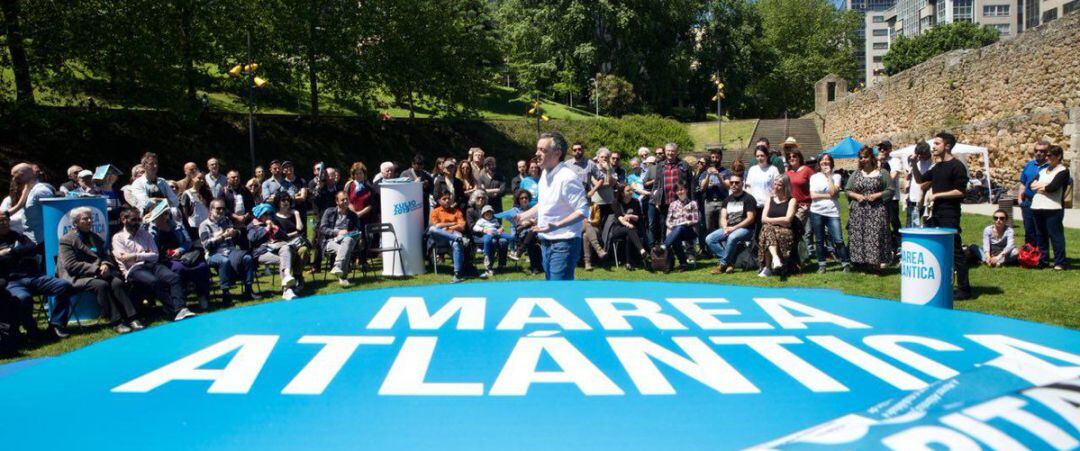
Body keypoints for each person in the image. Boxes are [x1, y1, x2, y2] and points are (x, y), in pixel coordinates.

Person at [514, 131, 589, 281]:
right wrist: (522, 216)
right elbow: (545, 204)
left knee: (559, 291)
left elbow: (583, 210)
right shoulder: (544, 174)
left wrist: (557, 225)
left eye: (543, 150)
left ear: (557, 153)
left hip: (564, 243)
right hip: (546, 241)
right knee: (552, 288)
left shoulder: (567, 178)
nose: (537, 154)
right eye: (537, 149)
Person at [57, 207, 142, 334]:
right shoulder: (67, 240)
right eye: (85, 219)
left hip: (98, 272)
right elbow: (70, 265)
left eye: (90, 218)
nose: (90, 221)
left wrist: (105, 264)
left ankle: (131, 317)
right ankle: (116, 321)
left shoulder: (94, 237)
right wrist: (96, 269)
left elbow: (105, 255)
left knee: (116, 282)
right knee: (101, 285)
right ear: (75, 222)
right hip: (76, 277)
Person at [911, 132, 972, 299]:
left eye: (937, 143)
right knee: (936, 248)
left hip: (949, 213)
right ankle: (939, 283)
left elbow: (960, 191)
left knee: (955, 251)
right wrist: (913, 164)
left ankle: (964, 289)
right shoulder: (936, 167)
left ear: (947, 146)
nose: (933, 146)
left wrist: (937, 195)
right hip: (936, 214)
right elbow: (921, 182)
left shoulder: (957, 166)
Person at [112, 207, 195, 321]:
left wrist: (135, 256)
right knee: (154, 281)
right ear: (123, 219)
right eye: (133, 220)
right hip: (134, 269)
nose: (137, 223)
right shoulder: (118, 238)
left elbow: (155, 255)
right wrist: (144, 254)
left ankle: (181, 309)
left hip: (152, 265)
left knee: (174, 278)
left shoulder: (145, 235)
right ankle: (175, 310)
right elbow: (124, 259)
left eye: (138, 220)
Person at [0, 211, 73, 339]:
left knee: (63, 285)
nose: (4, 223)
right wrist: (18, 254)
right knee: (23, 298)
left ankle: (56, 325)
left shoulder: (18, 236)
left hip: (33, 277)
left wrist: (11, 251)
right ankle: (32, 330)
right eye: (0, 221)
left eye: (6, 220)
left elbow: (33, 248)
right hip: (11, 282)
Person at [148, 203, 212, 310]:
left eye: (166, 213)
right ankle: (180, 299)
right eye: (162, 214)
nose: (165, 216)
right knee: (179, 268)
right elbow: (152, 248)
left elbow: (188, 242)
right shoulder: (151, 230)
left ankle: (202, 295)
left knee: (202, 266)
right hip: (163, 259)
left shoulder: (177, 225)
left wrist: (179, 250)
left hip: (182, 254)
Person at [846, 147, 893, 273]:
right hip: (859, 211)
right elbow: (847, 190)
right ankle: (863, 265)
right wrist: (856, 196)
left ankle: (876, 266)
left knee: (876, 237)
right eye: (861, 157)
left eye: (865, 157)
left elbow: (890, 190)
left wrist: (877, 195)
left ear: (872, 157)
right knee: (860, 236)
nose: (863, 160)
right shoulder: (856, 174)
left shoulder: (882, 173)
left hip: (876, 211)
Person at [199, 199, 255, 304]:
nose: (221, 211)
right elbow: (207, 245)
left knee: (247, 258)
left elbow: (236, 236)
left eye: (223, 209)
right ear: (211, 210)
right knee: (224, 261)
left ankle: (248, 290)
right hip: (213, 253)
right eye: (218, 208)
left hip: (230, 250)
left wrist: (235, 233)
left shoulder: (227, 221)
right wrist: (223, 236)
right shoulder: (204, 225)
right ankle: (226, 293)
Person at [247, 203, 301, 300]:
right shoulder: (252, 225)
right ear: (260, 215)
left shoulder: (274, 222)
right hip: (260, 252)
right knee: (284, 260)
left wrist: (275, 228)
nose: (269, 216)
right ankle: (287, 290)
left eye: (270, 214)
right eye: (266, 214)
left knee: (286, 248)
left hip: (277, 248)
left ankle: (287, 276)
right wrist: (267, 229)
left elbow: (285, 237)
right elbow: (253, 239)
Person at [706, 173, 757, 274]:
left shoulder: (749, 198)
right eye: (731, 182)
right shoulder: (727, 199)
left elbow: (750, 218)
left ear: (742, 183)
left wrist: (734, 228)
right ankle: (729, 262)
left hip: (746, 229)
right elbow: (723, 216)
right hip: (729, 228)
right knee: (709, 239)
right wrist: (725, 227)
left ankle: (722, 264)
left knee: (732, 237)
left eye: (737, 182)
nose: (733, 184)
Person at [1029, 145, 1070, 270]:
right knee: (1041, 235)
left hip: (1053, 208)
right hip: (1037, 206)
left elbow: (1053, 187)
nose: (1047, 157)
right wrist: (1044, 185)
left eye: (1050, 155)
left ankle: (1059, 262)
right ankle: (1043, 260)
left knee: (1055, 236)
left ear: (1058, 156)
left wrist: (1042, 186)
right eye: (1046, 155)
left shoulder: (1063, 171)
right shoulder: (1042, 171)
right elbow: (1031, 185)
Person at [808, 154, 851, 273]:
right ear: (819, 163)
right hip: (817, 211)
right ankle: (822, 265)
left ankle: (845, 263)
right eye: (822, 160)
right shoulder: (814, 177)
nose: (825, 162)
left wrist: (829, 177)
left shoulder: (836, 176)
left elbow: (834, 191)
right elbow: (813, 196)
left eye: (827, 160)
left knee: (838, 239)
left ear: (831, 163)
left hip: (832, 212)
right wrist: (829, 195)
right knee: (819, 240)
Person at [650, 143, 695, 241]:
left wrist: (692, 200)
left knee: (683, 224)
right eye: (668, 151)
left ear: (676, 152)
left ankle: (688, 250)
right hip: (664, 201)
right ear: (665, 152)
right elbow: (657, 184)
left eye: (672, 151)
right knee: (664, 225)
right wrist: (656, 200)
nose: (670, 153)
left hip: (680, 200)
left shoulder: (684, 164)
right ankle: (666, 249)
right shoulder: (660, 165)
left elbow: (691, 183)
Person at [319, 191, 362, 286]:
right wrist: (337, 232)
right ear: (337, 201)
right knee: (345, 250)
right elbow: (322, 228)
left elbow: (357, 230)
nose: (346, 201)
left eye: (347, 199)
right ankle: (343, 277)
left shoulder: (353, 215)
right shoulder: (329, 212)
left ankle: (337, 266)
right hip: (330, 241)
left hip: (347, 240)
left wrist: (349, 234)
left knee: (348, 240)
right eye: (343, 200)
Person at [758, 176, 797, 278]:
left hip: (786, 231)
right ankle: (775, 258)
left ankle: (768, 267)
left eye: (779, 185)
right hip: (771, 229)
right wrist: (781, 221)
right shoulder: (769, 199)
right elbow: (763, 219)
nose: (776, 187)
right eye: (775, 184)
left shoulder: (791, 200)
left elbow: (788, 220)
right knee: (767, 229)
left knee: (766, 230)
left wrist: (770, 221)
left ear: (786, 186)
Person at [9, 163, 57, 244]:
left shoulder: (41, 191)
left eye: (14, 176)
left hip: (41, 241)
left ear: (22, 174)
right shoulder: (28, 190)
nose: (13, 179)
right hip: (30, 239)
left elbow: (52, 215)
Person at [604, 184, 648, 270]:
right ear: (622, 193)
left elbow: (639, 217)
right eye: (628, 190)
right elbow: (620, 218)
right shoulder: (615, 202)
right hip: (617, 228)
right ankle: (642, 250)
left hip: (632, 230)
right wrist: (628, 224)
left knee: (629, 235)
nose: (631, 192)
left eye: (631, 190)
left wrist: (631, 216)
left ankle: (628, 263)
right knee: (629, 229)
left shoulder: (635, 202)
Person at [428, 191, 468, 283]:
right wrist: (452, 223)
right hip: (440, 239)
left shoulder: (457, 211)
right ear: (439, 201)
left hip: (453, 235)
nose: (447, 201)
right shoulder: (435, 212)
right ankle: (458, 239)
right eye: (444, 199)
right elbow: (437, 226)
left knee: (456, 244)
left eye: (448, 199)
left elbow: (462, 226)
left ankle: (457, 274)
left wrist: (447, 227)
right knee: (432, 229)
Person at [1017, 141, 1051, 245]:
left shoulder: (1051, 166)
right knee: (1029, 231)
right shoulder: (1029, 165)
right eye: (1036, 151)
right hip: (1028, 203)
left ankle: (1041, 256)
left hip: (1043, 204)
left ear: (1048, 152)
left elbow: (1067, 183)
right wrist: (1019, 200)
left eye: (1042, 151)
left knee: (1042, 231)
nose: (1038, 153)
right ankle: (1030, 256)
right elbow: (1023, 183)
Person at [662, 182, 699, 272]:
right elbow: (668, 220)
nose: (680, 192)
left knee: (680, 227)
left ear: (686, 190)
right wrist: (670, 227)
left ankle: (665, 245)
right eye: (678, 190)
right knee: (676, 235)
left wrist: (688, 222)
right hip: (676, 231)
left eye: (682, 189)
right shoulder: (672, 204)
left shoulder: (692, 203)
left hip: (689, 231)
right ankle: (683, 263)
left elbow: (696, 219)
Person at [745, 146, 780, 234]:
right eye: (757, 156)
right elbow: (748, 187)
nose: (760, 158)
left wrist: (770, 201)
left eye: (762, 155)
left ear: (767, 156)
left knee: (767, 233)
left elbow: (777, 188)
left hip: (767, 207)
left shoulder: (773, 169)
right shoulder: (752, 170)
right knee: (755, 233)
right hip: (754, 206)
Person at [509, 190, 543, 275]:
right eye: (521, 198)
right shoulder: (516, 211)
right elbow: (516, 226)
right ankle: (536, 268)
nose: (524, 199)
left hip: (536, 233)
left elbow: (540, 221)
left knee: (532, 234)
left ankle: (519, 252)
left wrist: (528, 223)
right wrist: (528, 223)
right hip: (521, 235)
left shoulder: (533, 210)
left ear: (529, 199)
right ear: (518, 200)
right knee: (532, 240)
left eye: (526, 198)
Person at [473, 205, 512, 278]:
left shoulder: (494, 220)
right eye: (486, 213)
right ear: (483, 214)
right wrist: (483, 230)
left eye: (490, 213)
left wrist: (501, 229)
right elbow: (475, 227)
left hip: (496, 233)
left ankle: (513, 251)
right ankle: (486, 256)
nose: (488, 215)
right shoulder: (481, 221)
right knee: (487, 240)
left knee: (510, 237)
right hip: (488, 233)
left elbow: (499, 226)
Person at [700, 148, 731, 238]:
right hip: (709, 202)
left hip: (722, 201)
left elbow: (728, 186)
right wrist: (708, 175)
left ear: (721, 158)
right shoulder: (705, 172)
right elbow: (702, 188)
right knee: (709, 227)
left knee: (722, 227)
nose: (714, 159)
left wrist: (719, 176)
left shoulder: (726, 171)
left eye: (717, 157)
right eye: (712, 157)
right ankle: (710, 250)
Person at [878, 141, 902, 252]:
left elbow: (891, 178)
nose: (882, 150)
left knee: (894, 221)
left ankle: (899, 245)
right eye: (880, 148)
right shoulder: (877, 162)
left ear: (890, 149)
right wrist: (879, 162)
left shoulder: (895, 161)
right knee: (882, 223)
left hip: (892, 197)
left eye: (884, 148)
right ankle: (887, 245)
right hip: (880, 197)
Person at [903, 142, 933, 227]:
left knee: (926, 225)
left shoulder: (933, 162)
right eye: (918, 154)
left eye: (922, 155)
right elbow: (907, 176)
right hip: (913, 198)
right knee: (912, 224)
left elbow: (922, 182)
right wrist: (913, 163)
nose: (920, 157)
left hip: (926, 199)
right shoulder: (913, 161)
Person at [401, 155, 434, 227]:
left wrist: (426, 186)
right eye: (418, 164)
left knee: (423, 224)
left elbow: (432, 190)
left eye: (422, 164)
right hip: (410, 205)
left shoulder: (427, 175)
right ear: (412, 164)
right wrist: (414, 184)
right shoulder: (405, 174)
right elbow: (401, 189)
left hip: (423, 204)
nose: (420, 166)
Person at [178, 171, 212, 236]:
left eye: (203, 179)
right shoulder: (187, 193)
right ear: (192, 178)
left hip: (207, 225)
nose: (201, 181)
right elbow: (185, 212)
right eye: (199, 178)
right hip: (194, 226)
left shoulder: (207, 193)